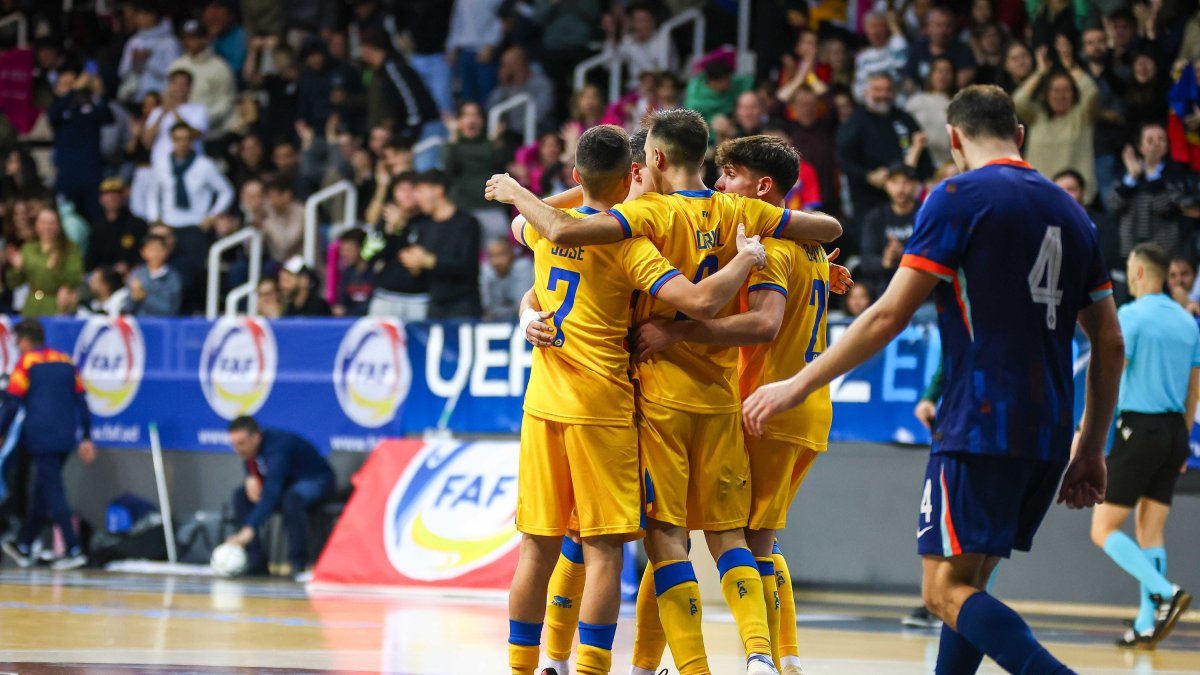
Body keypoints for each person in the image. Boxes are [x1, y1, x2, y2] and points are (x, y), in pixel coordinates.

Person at [743, 85, 1125, 675]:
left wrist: (796, 385)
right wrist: (1091, 446)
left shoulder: (957, 196)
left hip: (978, 419)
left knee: (940, 591)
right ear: (1019, 136)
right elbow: (1108, 340)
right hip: (1049, 427)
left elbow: (889, 314)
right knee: (970, 579)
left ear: (953, 137)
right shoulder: (1074, 212)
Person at [487, 108, 842, 675]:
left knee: (598, 541)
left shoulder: (635, 221)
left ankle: (558, 662)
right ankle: (762, 657)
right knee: (730, 539)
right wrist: (757, 252)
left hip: (603, 397)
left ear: (649, 162)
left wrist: (524, 214)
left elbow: (544, 230)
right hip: (694, 397)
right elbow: (825, 229)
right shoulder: (723, 219)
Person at [628, 134, 852, 675]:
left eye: (729, 175)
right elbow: (821, 241)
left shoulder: (768, 245)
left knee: (684, 540)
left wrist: (678, 332)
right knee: (759, 542)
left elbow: (764, 323)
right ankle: (783, 658)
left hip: (766, 404)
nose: (721, 184)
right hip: (804, 407)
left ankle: (689, 661)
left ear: (761, 186)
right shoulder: (806, 245)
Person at [1089, 243, 1196, 648]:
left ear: (1137, 274)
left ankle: (1164, 592)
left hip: (1140, 427)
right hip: (1173, 432)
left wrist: (1087, 433)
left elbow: (1108, 380)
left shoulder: (1130, 317)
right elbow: (1193, 389)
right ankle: (1147, 624)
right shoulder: (1187, 323)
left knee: (1103, 529)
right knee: (1150, 531)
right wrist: (1182, 440)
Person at [0, 319, 94, 571]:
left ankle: (74, 548)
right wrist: (85, 436)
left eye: (18, 342)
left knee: (53, 492)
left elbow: (12, 402)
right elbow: (82, 401)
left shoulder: (27, 363)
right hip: (65, 437)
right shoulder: (65, 361)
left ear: (26, 340)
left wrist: (1, 432)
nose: (18, 347)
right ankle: (25, 544)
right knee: (42, 491)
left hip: (40, 436)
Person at [225, 416, 335, 581]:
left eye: (241, 443)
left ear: (256, 437)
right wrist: (250, 476)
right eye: (233, 444)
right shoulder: (252, 448)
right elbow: (250, 460)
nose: (237, 449)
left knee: (292, 499)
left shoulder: (278, 448)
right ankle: (256, 561)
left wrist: (249, 529)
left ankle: (298, 563)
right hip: (289, 483)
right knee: (242, 496)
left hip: (318, 481)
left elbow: (271, 491)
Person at [836, 73, 932, 250]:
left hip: (908, 200)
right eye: (877, 90)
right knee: (873, 252)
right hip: (870, 201)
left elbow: (924, 158)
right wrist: (868, 176)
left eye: (887, 89)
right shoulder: (854, 124)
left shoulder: (904, 119)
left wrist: (928, 178)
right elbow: (843, 161)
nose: (883, 95)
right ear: (865, 92)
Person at [146, 123, 234, 314]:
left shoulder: (204, 166)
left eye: (186, 139)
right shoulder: (161, 164)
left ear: (192, 141)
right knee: (166, 273)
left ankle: (194, 312)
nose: (182, 143)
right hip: (168, 226)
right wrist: (155, 221)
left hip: (195, 226)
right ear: (172, 141)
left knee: (195, 272)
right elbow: (153, 194)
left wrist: (212, 215)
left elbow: (226, 191)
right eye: (177, 139)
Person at [1013, 43, 1099, 203]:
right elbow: (1018, 101)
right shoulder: (1037, 116)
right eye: (1055, 90)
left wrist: (1070, 65)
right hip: (1039, 198)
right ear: (1046, 94)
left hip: (1076, 199)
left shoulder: (1082, 117)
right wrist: (1039, 73)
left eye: (1066, 90)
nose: (1061, 95)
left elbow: (1091, 91)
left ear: (1074, 93)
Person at [1109, 123, 1196, 260]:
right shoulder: (1127, 170)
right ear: (1140, 147)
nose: (1156, 145)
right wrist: (1132, 177)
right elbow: (1114, 204)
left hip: (1166, 251)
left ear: (1167, 145)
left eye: (1161, 139)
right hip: (1132, 251)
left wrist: (1152, 173)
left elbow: (1165, 208)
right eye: (1150, 140)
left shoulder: (1176, 173)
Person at [407, 170, 482, 319]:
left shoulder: (466, 223)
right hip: (434, 305)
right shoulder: (423, 225)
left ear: (438, 190)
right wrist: (414, 264)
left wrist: (429, 261)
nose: (416, 198)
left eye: (420, 191)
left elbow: (468, 266)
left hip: (463, 306)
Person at [358, 30, 439, 145]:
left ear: (369, 48)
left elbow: (409, 97)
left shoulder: (393, 67)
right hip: (408, 128)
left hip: (423, 127)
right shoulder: (376, 71)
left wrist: (413, 127)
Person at [6, 208, 84, 318]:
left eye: (51, 223)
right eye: (43, 222)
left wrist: (54, 269)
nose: (47, 227)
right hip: (32, 305)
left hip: (56, 303)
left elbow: (74, 277)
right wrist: (17, 268)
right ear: (37, 225)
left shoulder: (69, 249)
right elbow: (13, 283)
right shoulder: (28, 248)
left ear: (58, 226)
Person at [859, 164, 921, 296]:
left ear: (916, 185)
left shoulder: (926, 214)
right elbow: (866, 261)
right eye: (894, 182)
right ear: (886, 185)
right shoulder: (876, 217)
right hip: (886, 291)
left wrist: (904, 253)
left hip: (922, 292)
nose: (900, 188)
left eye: (905, 182)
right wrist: (886, 260)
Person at [168, 20, 235, 137]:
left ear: (205, 39)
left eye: (194, 38)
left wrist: (202, 118)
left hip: (212, 133)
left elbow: (226, 101)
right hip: (180, 135)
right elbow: (169, 96)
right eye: (186, 38)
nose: (189, 42)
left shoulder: (220, 67)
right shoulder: (177, 65)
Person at [88, 177, 148, 275]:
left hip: (131, 275)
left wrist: (129, 265)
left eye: (116, 193)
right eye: (107, 194)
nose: (112, 198)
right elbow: (91, 259)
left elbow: (145, 254)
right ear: (101, 199)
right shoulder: (97, 227)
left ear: (123, 196)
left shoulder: (137, 225)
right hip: (104, 276)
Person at [123, 233, 182, 316]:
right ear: (143, 252)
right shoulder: (136, 274)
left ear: (166, 252)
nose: (155, 254)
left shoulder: (173, 277)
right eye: (151, 250)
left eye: (158, 249)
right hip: (138, 324)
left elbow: (170, 308)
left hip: (163, 325)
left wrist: (144, 297)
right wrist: (134, 298)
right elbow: (127, 308)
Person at [480, 238, 533, 321]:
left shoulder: (524, 267)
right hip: (497, 322)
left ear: (511, 254)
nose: (498, 261)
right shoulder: (486, 271)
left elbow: (522, 306)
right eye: (493, 256)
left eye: (501, 255)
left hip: (524, 320)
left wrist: (497, 313)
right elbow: (487, 306)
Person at [259, 178, 305, 266]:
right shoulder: (267, 213)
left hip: (298, 261)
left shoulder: (301, 212)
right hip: (277, 263)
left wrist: (266, 223)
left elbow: (285, 245)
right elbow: (249, 251)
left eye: (272, 196)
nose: (269, 201)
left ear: (287, 195)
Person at [333, 229, 375, 317]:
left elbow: (374, 305)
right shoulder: (346, 274)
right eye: (342, 250)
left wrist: (348, 312)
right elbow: (340, 302)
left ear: (361, 248)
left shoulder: (376, 272)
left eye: (348, 250)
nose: (344, 254)